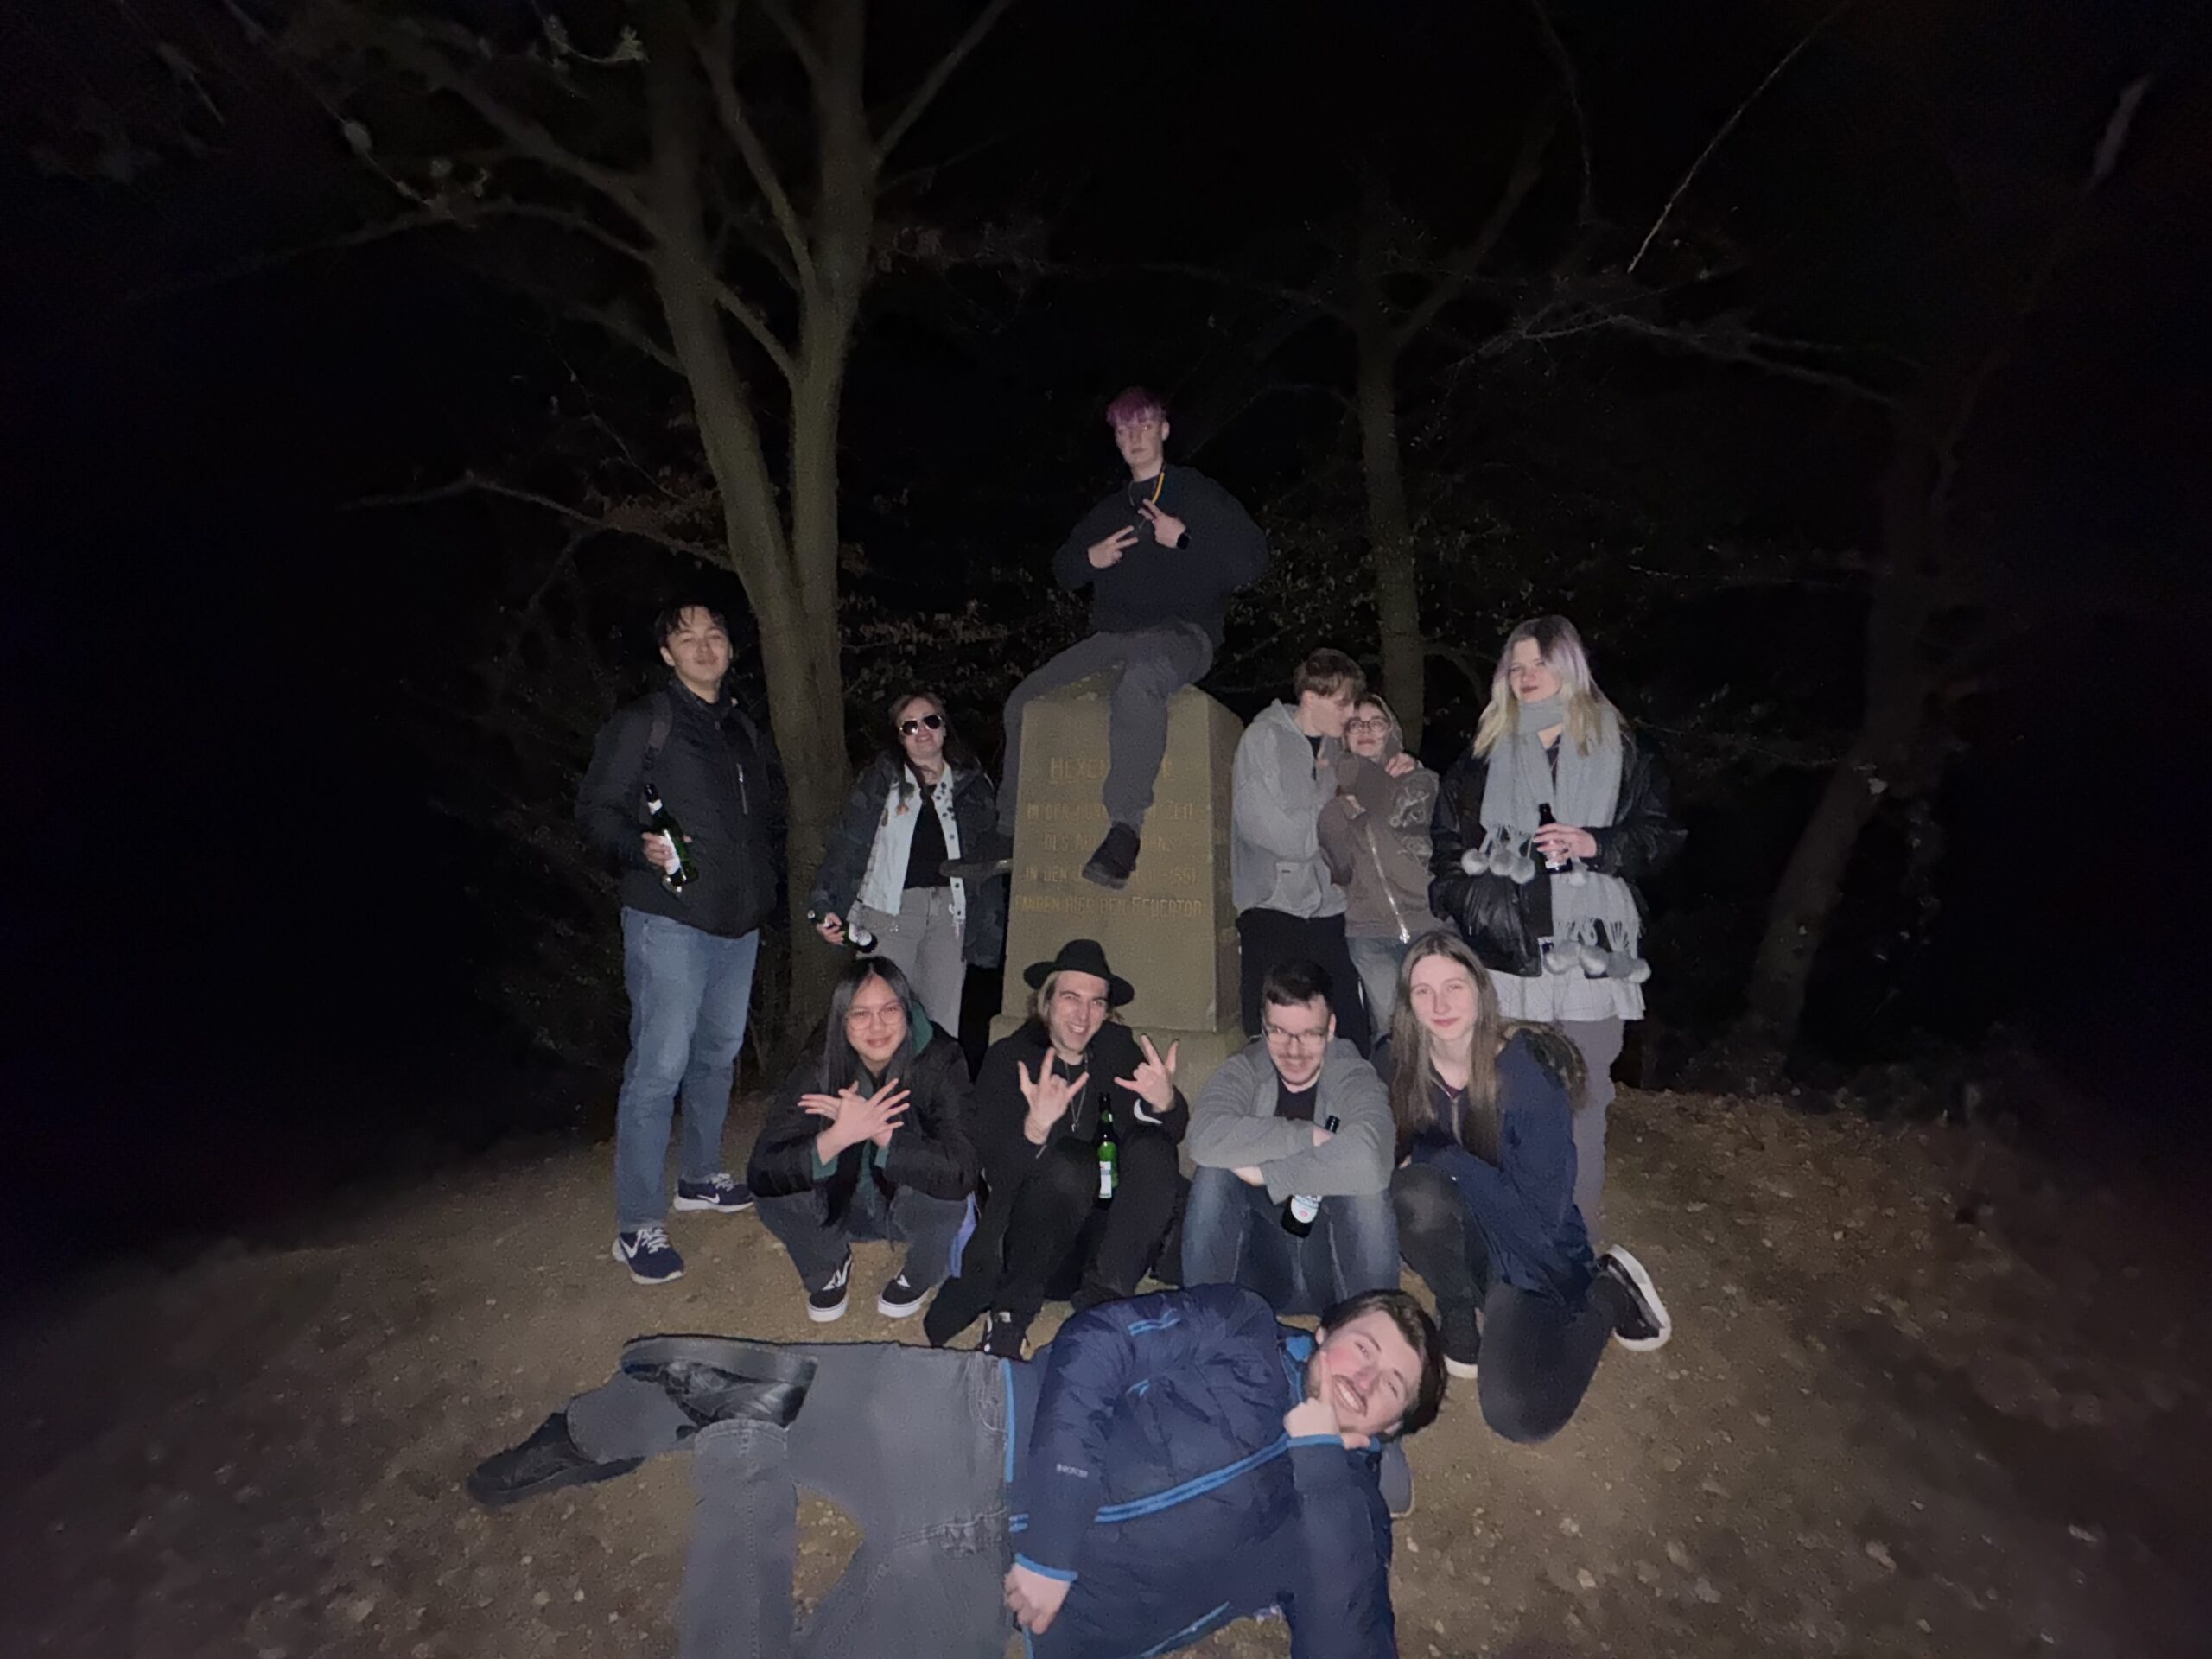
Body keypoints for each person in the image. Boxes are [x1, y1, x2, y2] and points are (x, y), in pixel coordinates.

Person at [464, 1283, 1446, 1659]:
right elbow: (1097, 1343)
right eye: (1362, 1347)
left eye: (1389, 1386)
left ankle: (740, 1443)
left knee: (742, 1404)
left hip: (994, 1606)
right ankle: (583, 1434)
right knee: (679, 1388)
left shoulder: (1343, 1529)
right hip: (972, 1428)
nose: (1363, 1377)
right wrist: (1054, 1540)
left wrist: (1324, 1466)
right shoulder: (1242, 1330)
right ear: (1326, 1332)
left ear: (1392, 1428)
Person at [947, 387, 1268, 891]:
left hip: (1183, 633)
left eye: (1144, 426)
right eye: (1123, 430)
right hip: (1112, 637)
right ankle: (1008, 833)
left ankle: (1124, 832)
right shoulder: (1110, 509)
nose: (1134, 437)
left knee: (1142, 678)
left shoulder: (1197, 493)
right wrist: (1089, 559)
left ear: (1164, 430)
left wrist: (1185, 539)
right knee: (1024, 701)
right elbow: (1064, 569)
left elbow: (1252, 564)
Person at [1428, 614, 1684, 1241]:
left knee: (1584, 1099)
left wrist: (1595, 844)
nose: (1525, 677)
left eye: (1539, 664)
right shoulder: (1481, 759)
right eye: (1515, 667)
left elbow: (1662, 837)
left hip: (1592, 957)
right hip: (1507, 959)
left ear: (1569, 667)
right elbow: (1444, 850)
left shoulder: (1624, 749)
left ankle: (1575, 1239)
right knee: (1508, 1098)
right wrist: (1474, 903)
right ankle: (1513, 1233)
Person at [1379, 929, 1672, 1440]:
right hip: (1470, 1236)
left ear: (1480, 991)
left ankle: (1610, 1291)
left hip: (1532, 1255)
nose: (1440, 1004)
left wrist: (1446, 1157)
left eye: (1454, 987)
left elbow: (1540, 1220)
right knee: (1413, 1195)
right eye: (1424, 991)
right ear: (1408, 1003)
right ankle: (1457, 1306)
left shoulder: (1526, 1078)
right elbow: (1363, 1130)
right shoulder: (1398, 1064)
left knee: (1518, 1415)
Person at [576, 601, 782, 1287]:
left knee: (717, 1056)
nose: (704, 645)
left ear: (729, 648)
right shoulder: (647, 722)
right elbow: (595, 810)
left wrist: (768, 895)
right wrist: (638, 845)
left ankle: (699, 1177)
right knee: (658, 1067)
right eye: (687, 638)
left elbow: (762, 824)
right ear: (667, 654)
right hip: (667, 918)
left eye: (714, 635)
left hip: (738, 921)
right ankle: (637, 1223)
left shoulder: (743, 728)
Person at [925, 939, 1186, 1358]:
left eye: (1096, 1002)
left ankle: (1104, 1302)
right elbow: (993, 1174)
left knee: (1153, 1148)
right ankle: (1009, 1316)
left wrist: (1163, 1103)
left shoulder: (1115, 1051)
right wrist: (1035, 1129)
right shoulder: (1010, 1058)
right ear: (1045, 1001)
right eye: (1071, 998)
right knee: (1072, 1163)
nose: (1084, 1015)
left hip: (1101, 1248)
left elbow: (1171, 1133)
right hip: (1032, 1246)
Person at [745, 957, 977, 1323]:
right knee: (774, 1190)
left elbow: (963, 1170)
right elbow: (762, 1168)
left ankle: (919, 1276)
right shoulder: (820, 1063)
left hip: (907, 1210)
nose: (877, 1025)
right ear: (843, 1020)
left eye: (889, 1009)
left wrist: (884, 1135)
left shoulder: (940, 1059)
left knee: (949, 1197)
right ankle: (828, 1264)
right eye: (860, 1014)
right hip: (838, 1208)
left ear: (906, 1010)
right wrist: (835, 1139)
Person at [1182, 960, 1399, 1316]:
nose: (1294, 1050)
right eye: (1280, 1032)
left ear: (1330, 1028)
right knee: (1213, 1172)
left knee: (1367, 1191)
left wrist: (1271, 1175)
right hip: (1263, 1267)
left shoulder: (1353, 1074)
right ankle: (1203, 1321)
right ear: (1264, 1026)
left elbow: (1372, 1161)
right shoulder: (1246, 1067)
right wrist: (1306, 1136)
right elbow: (1203, 1138)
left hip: (1333, 1270)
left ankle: (1374, 1324)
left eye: (1309, 1034)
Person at [1232, 648, 1404, 1052]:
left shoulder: (1338, 748)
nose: (1351, 713)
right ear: (1311, 698)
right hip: (1273, 909)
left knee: (1348, 1035)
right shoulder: (1262, 739)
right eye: (1342, 703)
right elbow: (1273, 833)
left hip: (1329, 908)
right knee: (1279, 1037)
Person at [807, 690, 1005, 1036]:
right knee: (883, 1019)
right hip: (890, 916)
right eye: (910, 726)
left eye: (930, 721)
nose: (922, 730)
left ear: (944, 728)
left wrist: (988, 929)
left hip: (950, 918)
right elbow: (848, 845)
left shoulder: (973, 785)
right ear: (900, 738)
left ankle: (933, 1076)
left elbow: (989, 860)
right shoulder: (880, 782)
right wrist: (825, 903)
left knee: (940, 1029)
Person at [1320, 693, 1443, 1028]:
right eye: (1355, 724)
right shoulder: (1333, 799)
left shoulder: (1418, 779)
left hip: (1428, 924)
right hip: (1369, 934)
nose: (1365, 730)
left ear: (1391, 730)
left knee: (1438, 1025)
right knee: (1393, 1032)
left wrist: (1412, 770)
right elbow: (1339, 868)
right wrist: (1342, 812)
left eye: (1376, 722)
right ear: (1344, 735)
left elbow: (1413, 813)